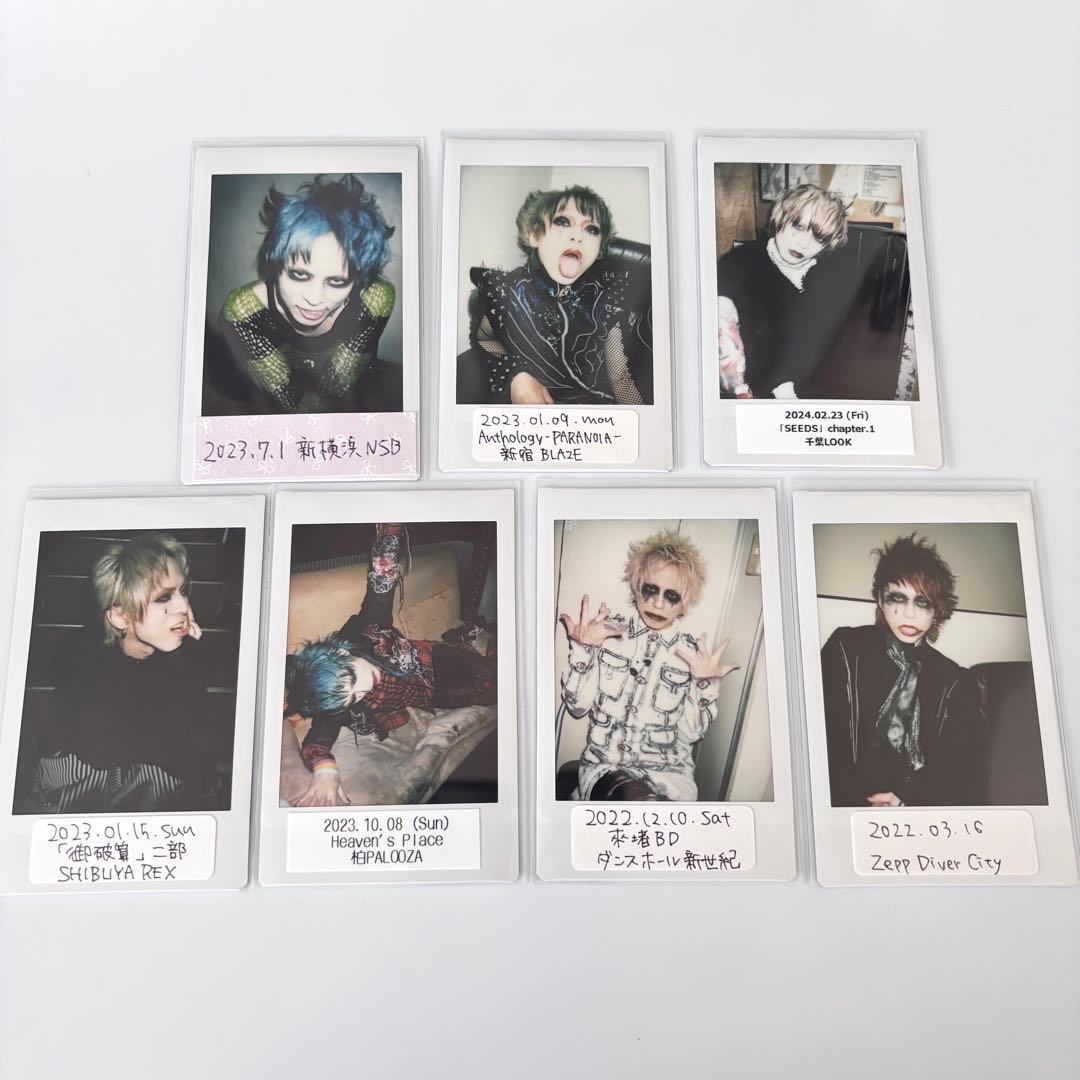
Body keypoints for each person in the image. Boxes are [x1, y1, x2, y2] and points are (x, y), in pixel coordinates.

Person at [283, 524, 498, 807]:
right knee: (490, 695)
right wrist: (326, 771)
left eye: (352, 678)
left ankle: (470, 637)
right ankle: (469, 637)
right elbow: (316, 742)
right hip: (428, 695)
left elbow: (380, 584)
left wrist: (390, 532)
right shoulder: (333, 702)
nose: (363, 688)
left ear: (340, 652)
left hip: (434, 660)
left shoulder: (366, 630)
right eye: (352, 697)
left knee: (494, 673)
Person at [33, 534, 213, 813]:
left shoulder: (188, 654)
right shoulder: (78, 655)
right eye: (164, 597)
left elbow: (179, 736)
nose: (183, 607)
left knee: (170, 783)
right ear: (120, 617)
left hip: (143, 769)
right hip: (84, 768)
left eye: (183, 591)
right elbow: (102, 752)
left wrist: (178, 659)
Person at [557, 529, 738, 801]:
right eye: (650, 590)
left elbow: (691, 734)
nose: (658, 603)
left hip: (671, 779)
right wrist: (584, 650)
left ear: (686, 603)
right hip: (607, 769)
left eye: (672, 596)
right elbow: (577, 707)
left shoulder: (692, 655)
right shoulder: (605, 634)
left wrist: (703, 686)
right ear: (636, 587)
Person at [820, 534, 982, 807]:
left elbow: (960, 767)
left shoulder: (953, 682)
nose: (909, 614)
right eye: (898, 598)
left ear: (936, 611)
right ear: (880, 600)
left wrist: (909, 796)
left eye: (923, 602)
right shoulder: (847, 649)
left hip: (911, 814)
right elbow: (813, 730)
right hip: (839, 802)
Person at [216, 174, 396, 414]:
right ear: (277, 266)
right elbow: (291, 401)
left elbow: (336, 390)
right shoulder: (244, 311)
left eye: (337, 281)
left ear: (359, 281)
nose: (313, 298)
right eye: (299, 275)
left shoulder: (376, 298)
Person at [470, 184, 652, 406]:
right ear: (534, 235)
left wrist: (641, 418)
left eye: (591, 229)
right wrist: (515, 375)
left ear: (599, 250)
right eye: (563, 222)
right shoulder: (507, 290)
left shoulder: (607, 300)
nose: (577, 236)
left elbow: (619, 377)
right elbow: (484, 339)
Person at [715, 182, 850, 400]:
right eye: (798, 226)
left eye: (819, 237)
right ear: (780, 217)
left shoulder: (831, 277)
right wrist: (781, 390)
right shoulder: (739, 265)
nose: (804, 243)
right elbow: (726, 344)